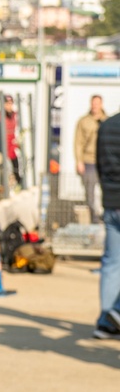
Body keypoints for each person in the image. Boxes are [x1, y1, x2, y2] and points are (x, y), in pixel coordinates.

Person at [94, 107, 120, 338]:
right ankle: (116, 311)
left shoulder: (106, 125)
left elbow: (99, 165)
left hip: (111, 202)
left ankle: (105, 322)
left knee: (112, 263)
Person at [76, 94, 106, 224]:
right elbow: (78, 142)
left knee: (105, 191)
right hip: (89, 161)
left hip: (104, 162)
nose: (95, 106)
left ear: (101, 104)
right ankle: (94, 220)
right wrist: (79, 161)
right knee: (90, 193)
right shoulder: (84, 121)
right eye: (93, 103)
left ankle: (105, 218)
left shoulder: (107, 120)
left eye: (97, 103)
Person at [0, 94, 21, 185]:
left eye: (11, 103)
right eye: (7, 104)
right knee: (3, 171)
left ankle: (16, 183)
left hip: (12, 148)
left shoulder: (14, 115)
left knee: (15, 168)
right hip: (2, 148)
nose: (9, 106)